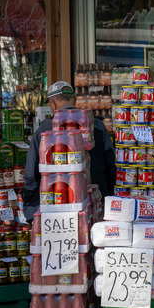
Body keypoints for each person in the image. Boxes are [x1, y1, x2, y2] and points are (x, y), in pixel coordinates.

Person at [22, 81, 116, 219]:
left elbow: (32, 174)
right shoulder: (98, 126)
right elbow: (112, 166)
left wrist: (29, 202)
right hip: (96, 204)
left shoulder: (44, 130)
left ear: (52, 104)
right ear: (75, 100)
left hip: (58, 206)